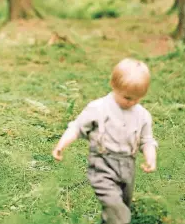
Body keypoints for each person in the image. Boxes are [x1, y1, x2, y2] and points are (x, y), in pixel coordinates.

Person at [52, 58, 157, 224]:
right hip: (102, 164)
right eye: (127, 97)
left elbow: (147, 140)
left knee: (118, 209)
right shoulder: (98, 108)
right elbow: (77, 127)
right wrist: (61, 145)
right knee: (119, 214)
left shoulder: (143, 115)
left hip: (128, 167)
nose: (132, 102)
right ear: (114, 86)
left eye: (137, 99)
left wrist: (150, 158)